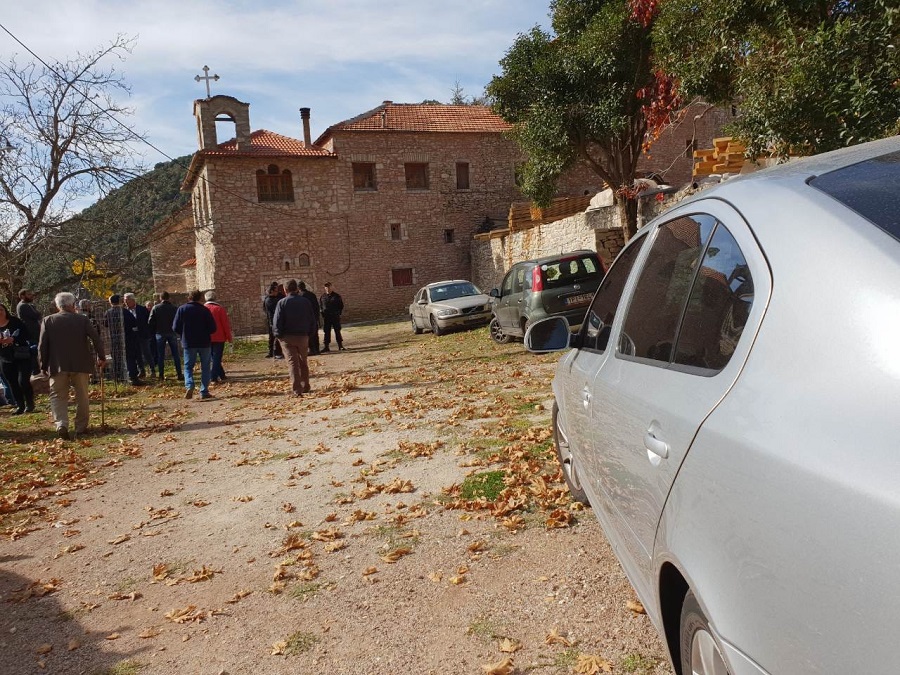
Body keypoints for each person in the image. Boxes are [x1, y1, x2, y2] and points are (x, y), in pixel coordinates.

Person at [39, 293, 106, 439]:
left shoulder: (48, 320)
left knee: (57, 395)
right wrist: (101, 357)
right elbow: (96, 338)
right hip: (80, 363)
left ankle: (61, 423)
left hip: (57, 364)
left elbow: (42, 345)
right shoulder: (82, 319)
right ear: (72, 305)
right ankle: (81, 427)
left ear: (58, 305)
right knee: (82, 396)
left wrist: (43, 365)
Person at [273, 279, 316, 396]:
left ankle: (297, 389)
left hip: (287, 337)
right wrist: (310, 333)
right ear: (297, 289)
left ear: (285, 290)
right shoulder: (305, 302)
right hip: (303, 336)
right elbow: (312, 319)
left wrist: (278, 335)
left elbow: (277, 321)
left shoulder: (282, 303)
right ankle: (305, 385)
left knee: (293, 363)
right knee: (303, 361)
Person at [172, 290, 217, 400]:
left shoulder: (182, 309)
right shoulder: (205, 310)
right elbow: (213, 328)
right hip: (204, 342)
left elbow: (175, 327)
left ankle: (190, 384)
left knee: (188, 367)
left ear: (189, 297)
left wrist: (183, 334)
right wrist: (205, 332)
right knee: (205, 367)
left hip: (188, 342)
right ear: (200, 298)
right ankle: (204, 391)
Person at [0, 302, 35, 414]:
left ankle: (30, 403)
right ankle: (20, 405)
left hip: (21, 355)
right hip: (5, 358)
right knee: (12, 383)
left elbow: (27, 335)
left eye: (1, 309)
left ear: (5, 311)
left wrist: (13, 340)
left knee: (23, 381)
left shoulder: (15, 322)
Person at [105, 294, 141, 385]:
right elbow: (134, 323)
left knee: (117, 358)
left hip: (114, 338)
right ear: (119, 301)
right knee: (130, 358)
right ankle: (133, 377)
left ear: (110, 302)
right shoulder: (125, 312)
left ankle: (118, 377)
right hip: (127, 338)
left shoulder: (108, 312)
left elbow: (105, 324)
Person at [148, 291, 182, 381]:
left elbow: (150, 322)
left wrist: (155, 328)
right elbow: (178, 320)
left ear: (160, 298)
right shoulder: (174, 308)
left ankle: (161, 375)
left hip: (160, 333)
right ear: (169, 298)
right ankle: (179, 373)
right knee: (176, 354)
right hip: (172, 332)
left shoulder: (156, 308)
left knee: (160, 355)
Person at [124, 293, 155, 378]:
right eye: (125, 300)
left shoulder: (142, 309)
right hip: (132, 336)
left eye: (127, 300)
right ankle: (141, 371)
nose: (126, 302)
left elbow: (148, 321)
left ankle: (153, 370)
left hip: (143, 335)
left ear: (133, 300)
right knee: (137, 354)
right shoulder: (125, 311)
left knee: (147, 353)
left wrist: (145, 330)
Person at [204, 291, 233, 382]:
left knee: (213, 357)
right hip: (219, 336)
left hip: (206, 336)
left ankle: (221, 374)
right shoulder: (219, 309)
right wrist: (229, 337)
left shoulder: (203, 309)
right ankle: (213, 376)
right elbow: (225, 324)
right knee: (217, 357)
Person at [15, 288, 42, 375]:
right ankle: (35, 370)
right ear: (22, 296)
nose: (31, 296)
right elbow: (36, 315)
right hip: (31, 332)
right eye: (28, 294)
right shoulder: (23, 306)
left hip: (33, 332)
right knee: (33, 350)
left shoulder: (27, 305)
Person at [319, 282, 345, 352]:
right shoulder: (323, 297)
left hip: (335, 316)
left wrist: (338, 313)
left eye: (329, 287)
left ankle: (340, 345)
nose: (327, 288)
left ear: (332, 287)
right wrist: (322, 313)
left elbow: (341, 306)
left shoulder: (336, 296)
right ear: (325, 288)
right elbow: (321, 306)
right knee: (327, 331)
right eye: (326, 287)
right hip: (327, 317)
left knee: (337, 330)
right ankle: (326, 346)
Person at [263, 281, 284, 359]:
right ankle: (272, 352)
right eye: (276, 290)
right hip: (271, 320)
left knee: (277, 337)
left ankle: (277, 352)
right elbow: (265, 309)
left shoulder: (280, 297)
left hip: (277, 320)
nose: (277, 292)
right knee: (272, 337)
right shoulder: (267, 299)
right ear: (271, 291)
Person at [298, 281, 320, 356]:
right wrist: (317, 317)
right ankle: (317, 349)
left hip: (305, 319)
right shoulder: (312, 294)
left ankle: (311, 349)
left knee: (308, 334)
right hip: (313, 317)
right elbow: (317, 306)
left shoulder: (300, 296)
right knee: (315, 334)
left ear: (298, 288)